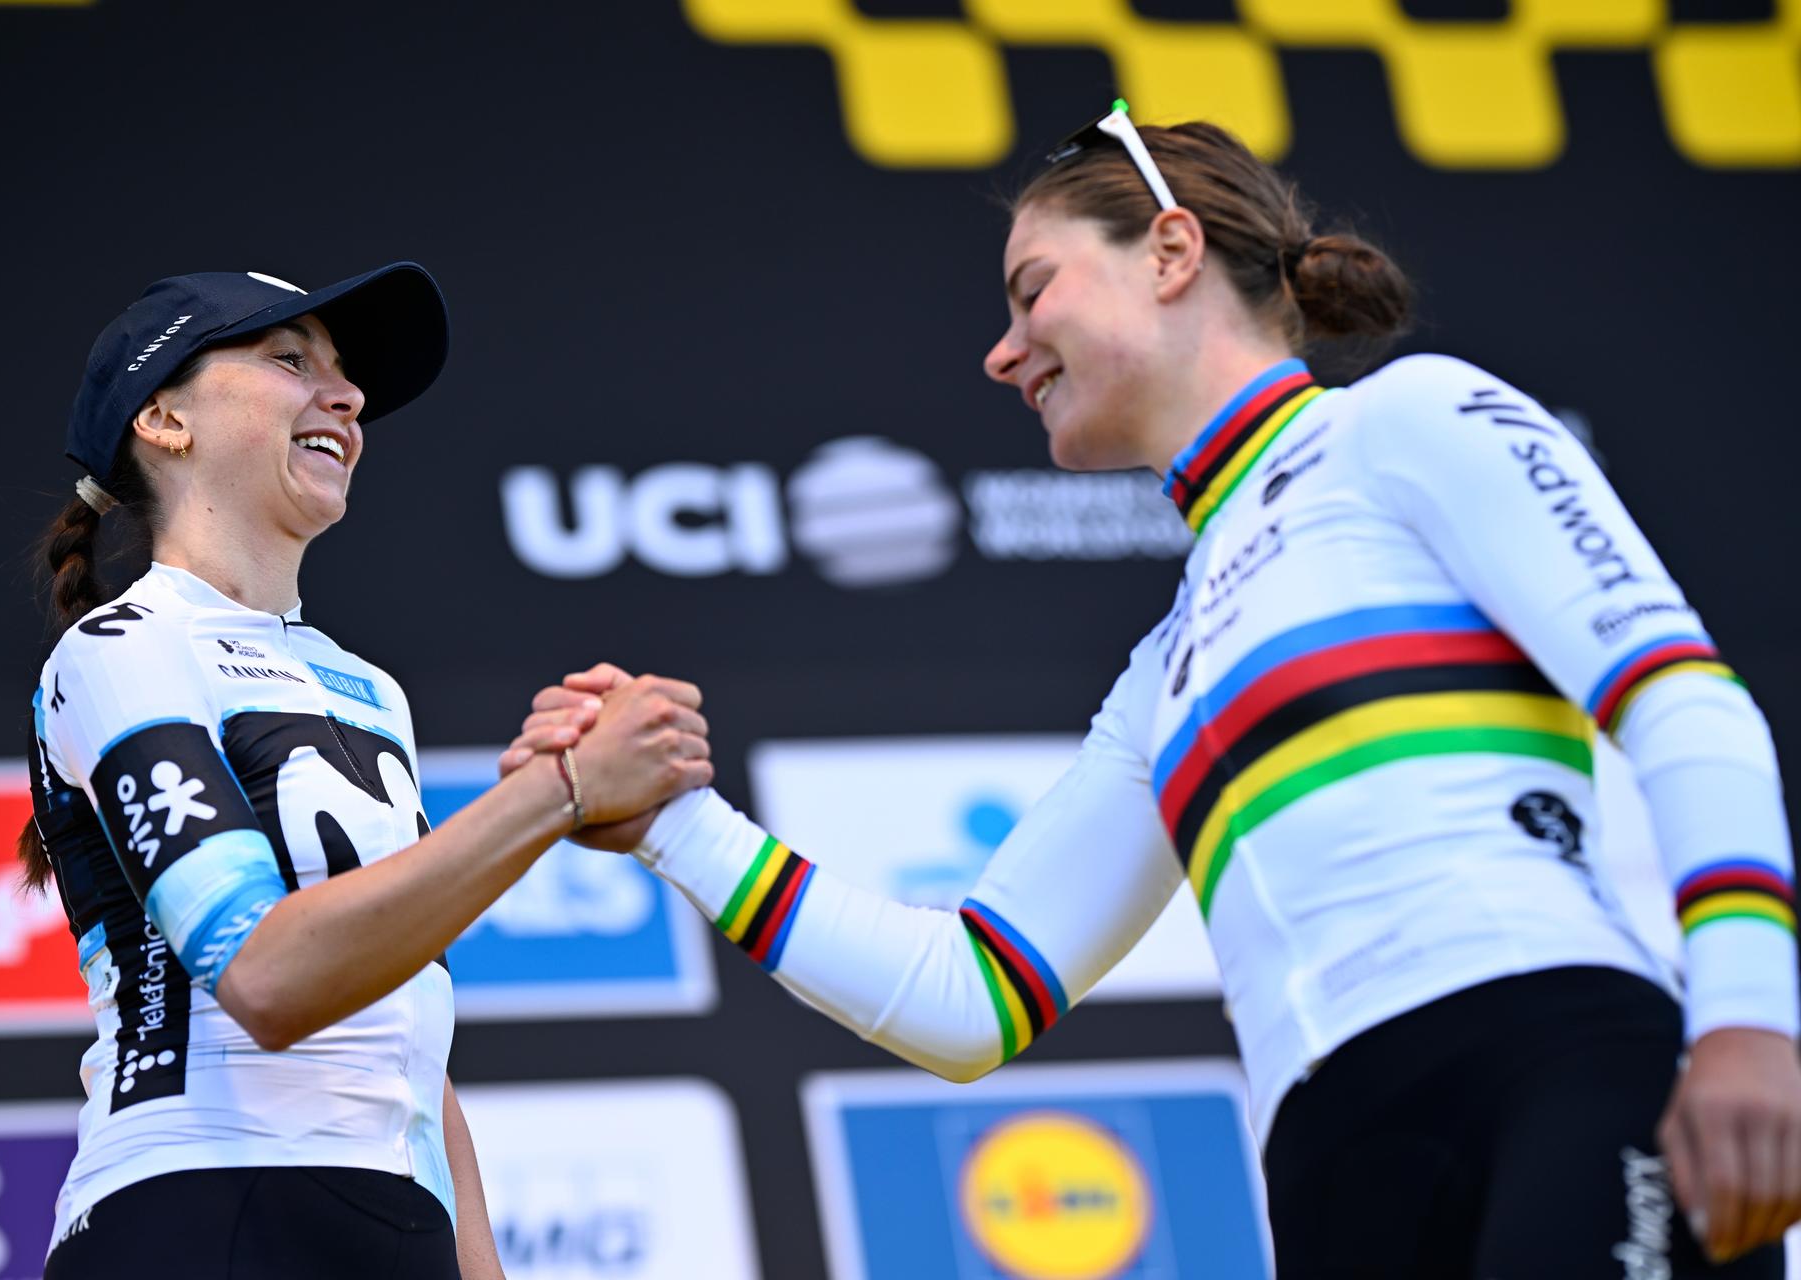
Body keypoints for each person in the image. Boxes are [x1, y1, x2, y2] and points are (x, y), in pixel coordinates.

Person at [514, 107, 1801, 1276]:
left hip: (1558, 1068)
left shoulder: (1407, 424)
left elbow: (1680, 697)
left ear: (1172, 251)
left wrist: (1749, 1017)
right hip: (1332, 1171)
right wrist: (676, 823)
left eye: (1033, 292)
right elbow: (972, 991)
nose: (1001, 352)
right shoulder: (1167, 667)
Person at [18, 263, 713, 1279]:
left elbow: (407, 1035)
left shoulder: (369, 688)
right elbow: (266, 974)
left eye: (345, 376)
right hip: (198, 1210)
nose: (344, 397)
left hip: (396, 1225)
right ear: (164, 419)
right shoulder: (121, 645)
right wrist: (554, 791)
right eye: (290, 361)